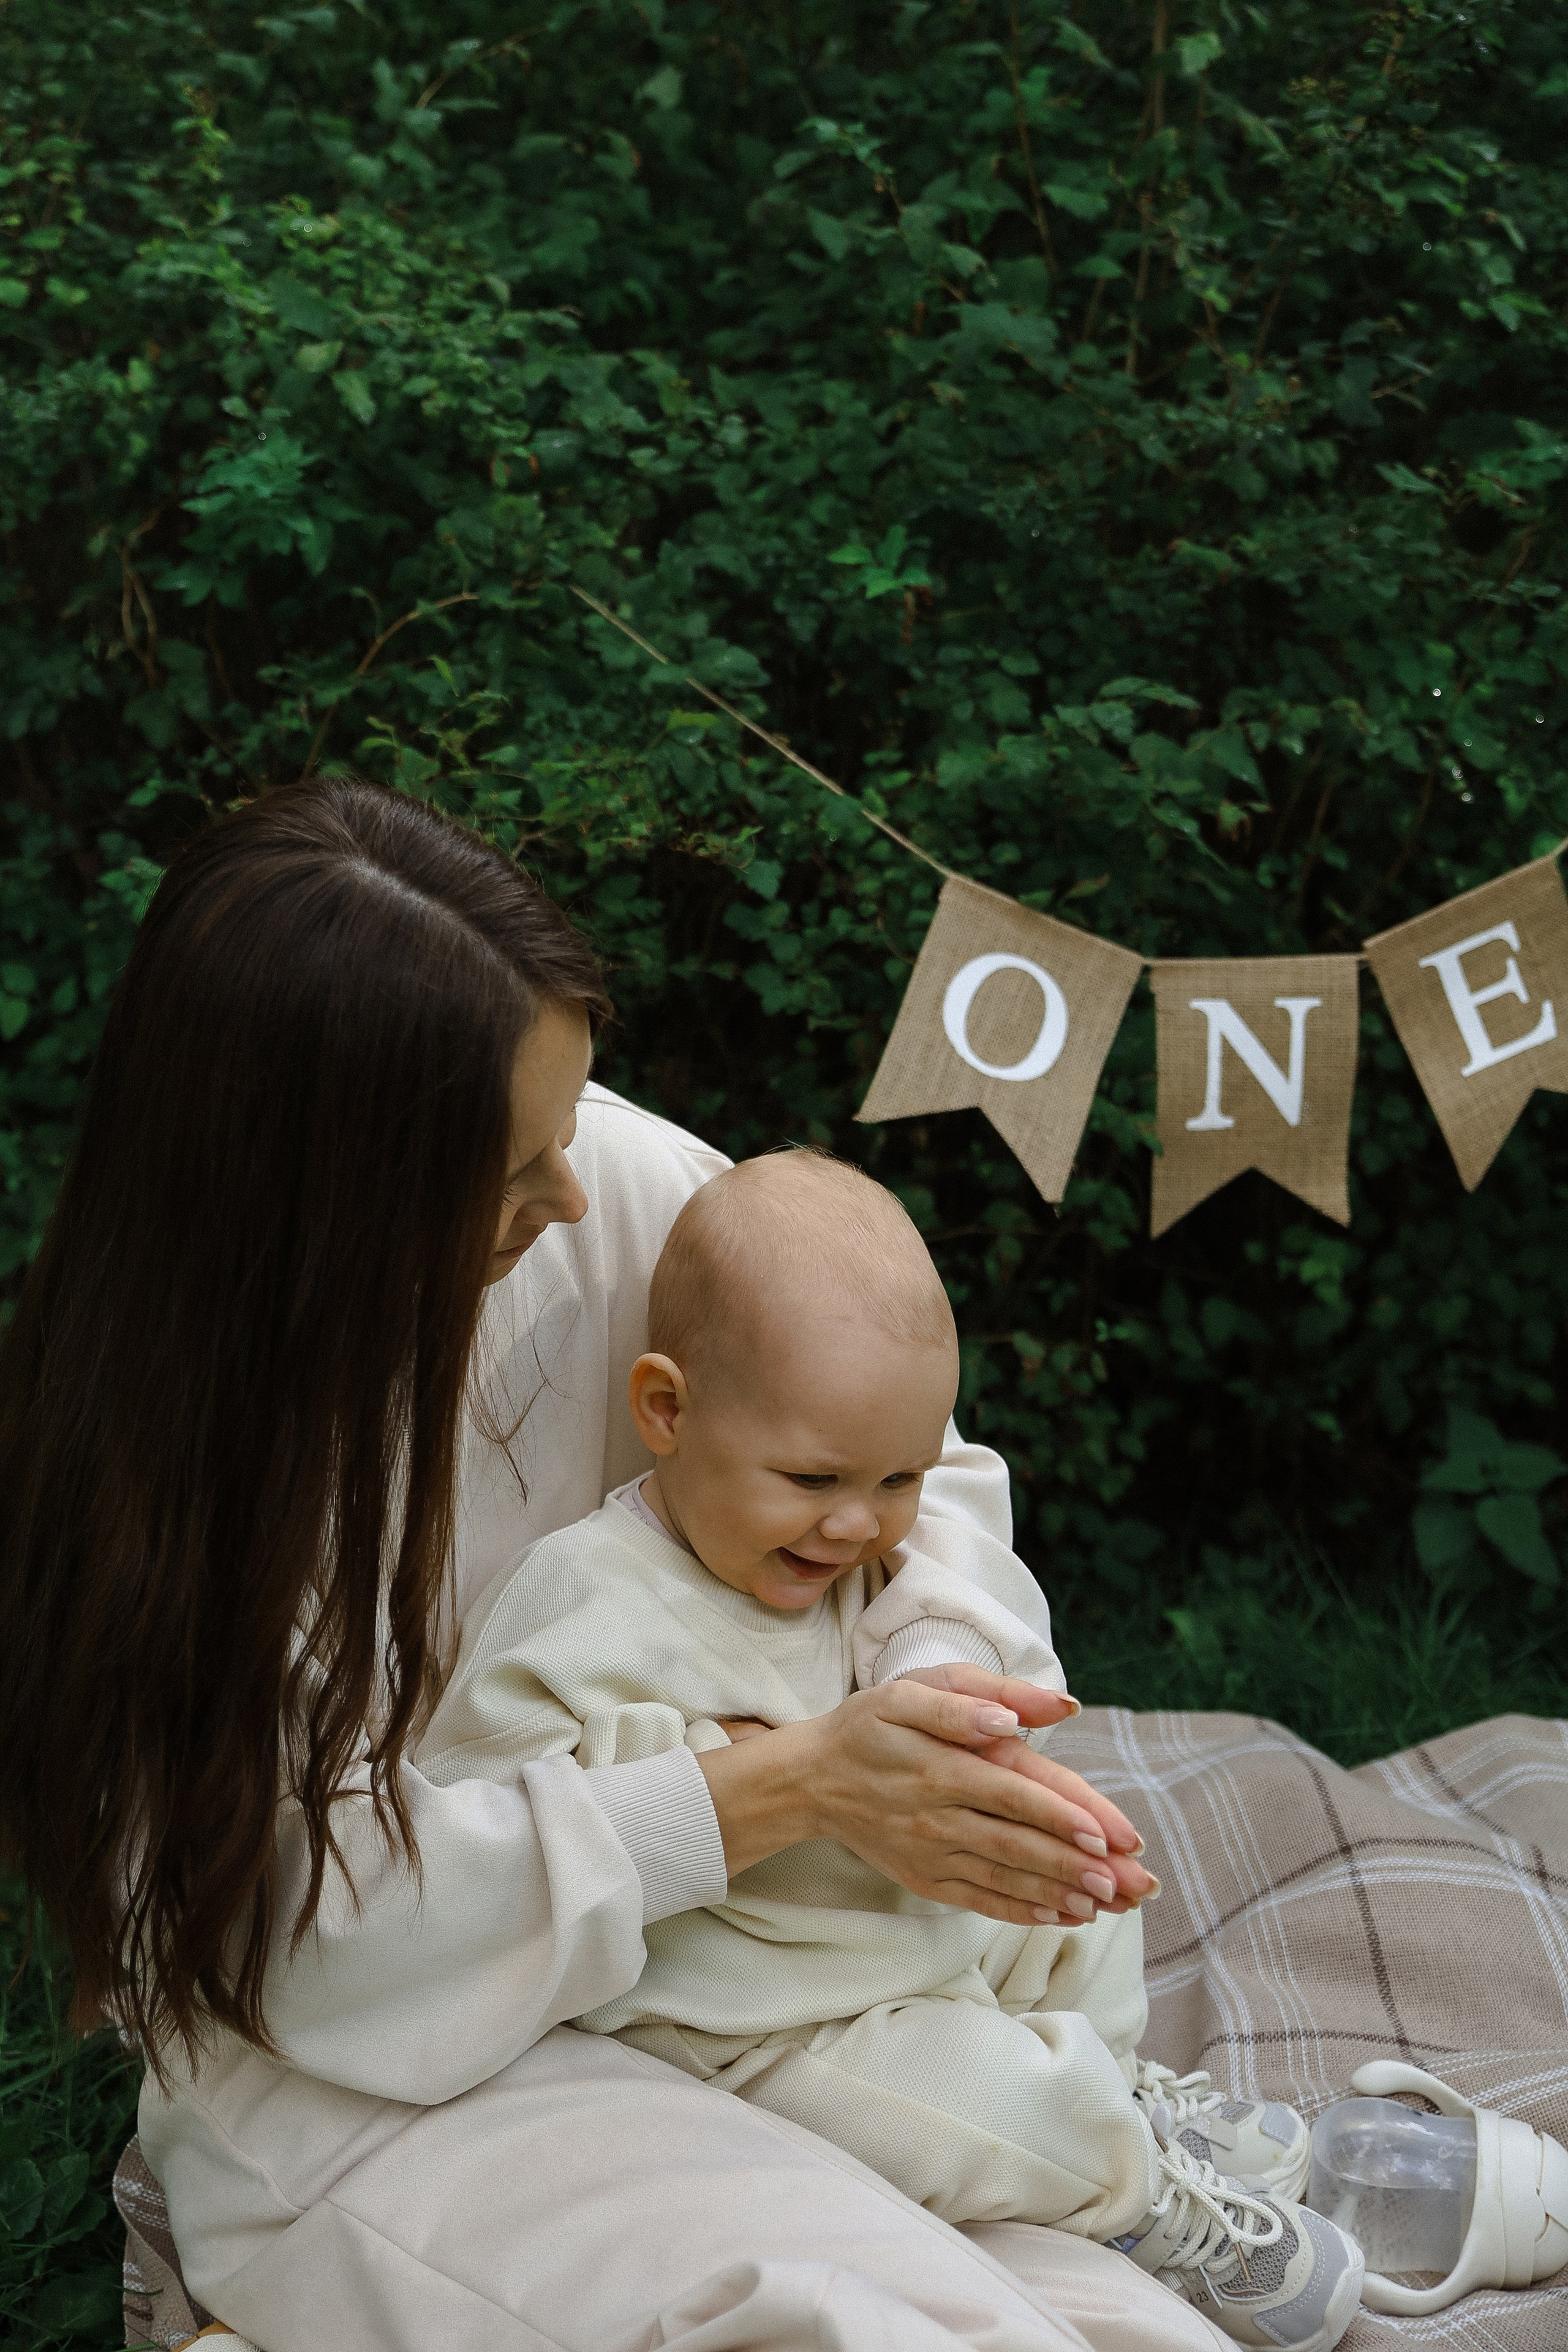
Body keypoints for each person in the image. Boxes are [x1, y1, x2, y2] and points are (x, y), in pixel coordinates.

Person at [0, 777, 1241, 2352]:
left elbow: (912, 1469)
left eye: (567, 1128)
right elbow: (307, 1955)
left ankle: (1162, 2172)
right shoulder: (153, 1481)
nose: (572, 1195)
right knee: (845, 2324)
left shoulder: (610, 1186)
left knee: (1135, 2334)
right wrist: (782, 1791)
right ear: (323, 1196)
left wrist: (930, 1697)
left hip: (734, 1991)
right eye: (513, 1169)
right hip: (357, 2067)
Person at [421, 1151, 1363, 2352]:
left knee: (1079, 1876)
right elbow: (487, 1809)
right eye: (812, 1478)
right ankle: (1135, 2193)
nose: (858, 1522)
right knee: (953, 2102)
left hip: (913, 1923)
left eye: (899, 1478)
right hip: (759, 2023)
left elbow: (963, 1636)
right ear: (664, 1411)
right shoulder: (586, 1597)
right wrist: (707, 1764)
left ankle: (1122, 2090)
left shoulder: (857, 1569)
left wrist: (983, 1751)